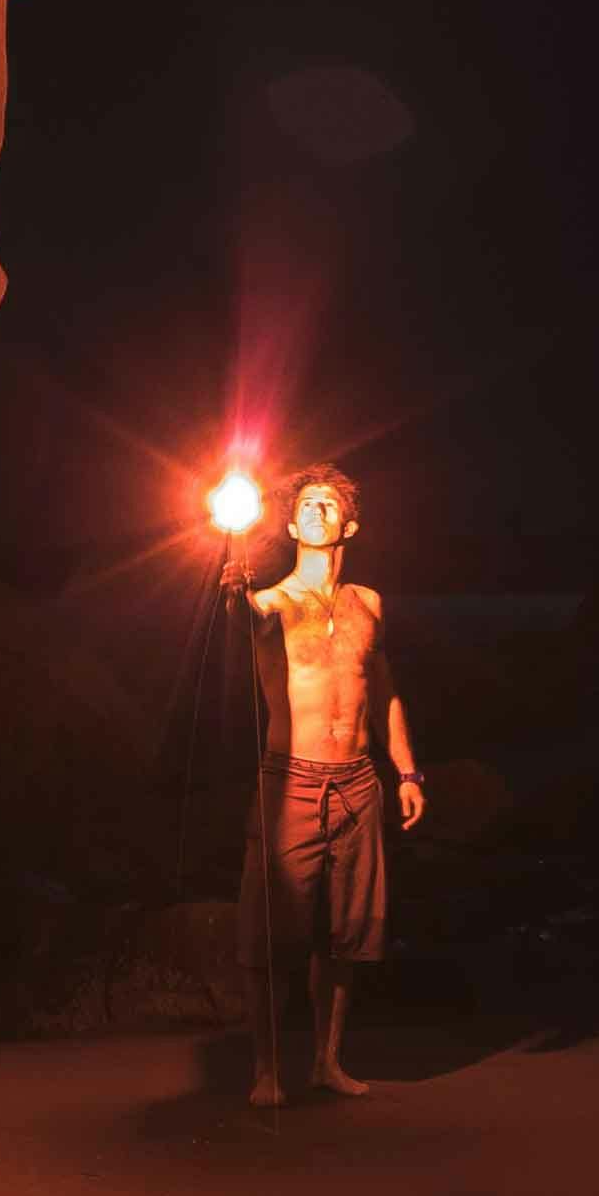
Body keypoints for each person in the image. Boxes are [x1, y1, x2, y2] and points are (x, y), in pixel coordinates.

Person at [220, 462, 421, 1104]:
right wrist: (232, 586)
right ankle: (266, 1071)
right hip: (291, 785)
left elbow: (383, 691)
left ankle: (326, 1063)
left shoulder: (369, 604)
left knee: (345, 935)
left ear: (348, 525)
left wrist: (408, 769)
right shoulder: (268, 603)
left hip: (361, 782)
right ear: (288, 523)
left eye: (328, 503)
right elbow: (242, 619)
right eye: (305, 503)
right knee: (270, 936)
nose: (315, 510)